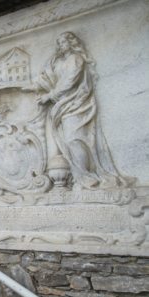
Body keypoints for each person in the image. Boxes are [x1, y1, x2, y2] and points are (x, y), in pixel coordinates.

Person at [35, 31, 133, 189]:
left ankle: (86, 176)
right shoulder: (60, 61)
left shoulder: (76, 59)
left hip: (77, 104)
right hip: (64, 104)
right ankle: (82, 176)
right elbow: (52, 75)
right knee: (69, 140)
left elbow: (69, 82)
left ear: (71, 43)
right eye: (59, 43)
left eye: (63, 42)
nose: (61, 46)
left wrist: (50, 95)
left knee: (74, 139)